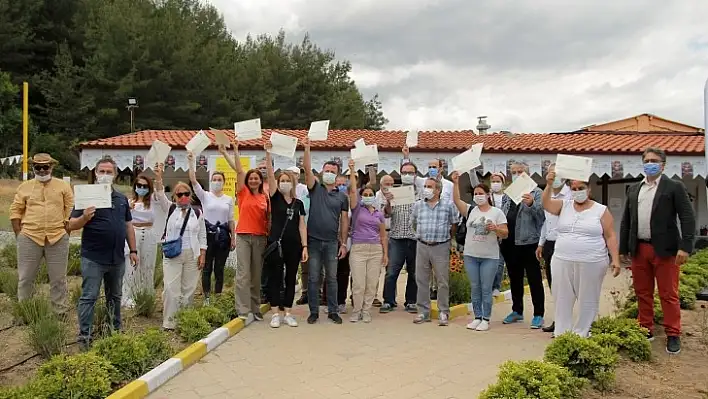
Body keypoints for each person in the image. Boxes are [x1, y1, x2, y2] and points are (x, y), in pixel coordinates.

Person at [620, 147, 695, 354]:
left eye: (654, 160)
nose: (650, 163)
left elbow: (687, 217)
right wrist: (623, 248)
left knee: (668, 293)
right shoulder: (635, 189)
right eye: (647, 160)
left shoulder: (674, 187)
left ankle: (673, 333)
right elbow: (627, 221)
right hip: (640, 248)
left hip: (666, 250)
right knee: (642, 292)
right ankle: (645, 327)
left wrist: (685, 247)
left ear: (663, 164)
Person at [67, 157, 138, 348]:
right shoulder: (86, 196)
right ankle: (85, 338)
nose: (105, 175)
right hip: (93, 257)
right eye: (102, 171)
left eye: (109, 172)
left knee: (114, 297)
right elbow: (71, 225)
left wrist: (133, 249)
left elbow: (128, 225)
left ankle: (113, 333)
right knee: (89, 297)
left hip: (117, 258)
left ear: (115, 175)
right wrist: (84, 217)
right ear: (96, 173)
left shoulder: (122, 199)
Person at [543, 171, 621, 338]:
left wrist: (615, 259)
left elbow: (610, 235)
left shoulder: (601, 210)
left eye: (581, 187)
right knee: (561, 297)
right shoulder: (564, 205)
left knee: (587, 298)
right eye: (574, 188)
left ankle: (582, 332)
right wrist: (549, 185)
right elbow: (546, 204)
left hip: (592, 261)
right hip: (562, 260)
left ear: (589, 189)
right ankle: (562, 333)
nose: (577, 190)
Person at [10, 153, 73, 316]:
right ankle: (25, 312)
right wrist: (19, 233)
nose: (42, 170)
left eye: (46, 166)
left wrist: (66, 229)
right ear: (33, 168)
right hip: (30, 236)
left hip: (57, 236)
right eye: (38, 167)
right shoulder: (24, 187)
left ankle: (60, 311)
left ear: (52, 167)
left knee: (58, 278)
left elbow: (70, 207)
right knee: (25, 278)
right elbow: (15, 210)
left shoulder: (63, 186)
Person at [451, 173, 508, 331]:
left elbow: (505, 233)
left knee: (486, 288)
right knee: (475, 286)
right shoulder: (471, 210)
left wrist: (496, 229)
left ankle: (486, 318)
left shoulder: (497, 212)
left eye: (481, 194)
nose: (478, 196)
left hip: (489, 256)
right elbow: (456, 200)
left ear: (488, 195)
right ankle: (477, 317)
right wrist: (455, 183)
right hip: (471, 255)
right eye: (475, 194)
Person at [153, 165, 207, 329]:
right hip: (172, 254)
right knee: (170, 288)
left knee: (189, 289)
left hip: (192, 254)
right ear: (175, 196)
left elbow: (202, 235)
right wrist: (158, 176)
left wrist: (202, 254)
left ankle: (185, 319)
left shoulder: (197, 212)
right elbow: (160, 193)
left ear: (190, 195)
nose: (183, 196)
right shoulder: (169, 208)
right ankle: (169, 322)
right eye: (179, 194)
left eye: (186, 194)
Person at [221, 138, 269, 321]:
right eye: (251, 178)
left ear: (260, 180)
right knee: (243, 274)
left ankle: (255, 308)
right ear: (248, 181)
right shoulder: (243, 193)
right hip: (243, 236)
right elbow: (239, 170)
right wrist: (233, 150)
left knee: (256, 275)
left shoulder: (265, 197)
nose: (254, 180)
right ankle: (242, 310)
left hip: (260, 238)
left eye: (257, 177)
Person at [303, 138, 349, 324]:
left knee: (332, 278)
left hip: (332, 243)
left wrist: (344, 243)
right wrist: (307, 149)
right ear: (321, 172)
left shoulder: (342, 197)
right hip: (313, 241)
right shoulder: (315, 188)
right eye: (327, 171)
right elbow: (307, 169)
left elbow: (344, 221)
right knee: (313, 278)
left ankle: (333, 311)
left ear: (338, 176)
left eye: (333, 172)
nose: (329, 173)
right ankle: (313, 312)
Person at [263, 143, 308, 328]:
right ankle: (275, 313)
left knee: (290, 278)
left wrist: (305, 246)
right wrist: (268, 153)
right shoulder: (275, 197)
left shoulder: (299, 204)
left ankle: (288, 312)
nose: (284, 183)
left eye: (287, 180)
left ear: (293, 183)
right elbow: (270, 174)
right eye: (282, 180)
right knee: (275, 277)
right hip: (276, 244)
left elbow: (302, 226)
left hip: (294, 246)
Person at [500, 162, 546, 329]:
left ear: (528, 174)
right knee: (514, 279)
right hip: (509, 242)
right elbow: (503, 214)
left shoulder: (537, 193)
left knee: (534, 280)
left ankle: (538, 314)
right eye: (514, 172)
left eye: (520, 172)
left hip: (529, 242)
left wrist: (532, 204)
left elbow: (543, 218)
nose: (517, 174)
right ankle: (517, 311)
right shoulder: (508, 194)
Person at [188, 150, 235, 304]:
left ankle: (218, 295)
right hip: (207, 235)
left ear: (224, 182)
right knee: (207, 267)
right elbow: (193, 181)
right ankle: (207, 296)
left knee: (219, 268)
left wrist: (233, 238)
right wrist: (191, 161)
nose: (216, 181)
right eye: (214, 179)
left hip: (223, 237)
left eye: (219, 179)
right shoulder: (205, 195)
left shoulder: (229, 199)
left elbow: (230, 220)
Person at [411, 178, 459, 326]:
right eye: (425, 186)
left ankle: (443, 312)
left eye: (429, 186)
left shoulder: (448, 205)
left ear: (438, 190)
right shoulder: (418, 205)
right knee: (421, 279)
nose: (426, 189)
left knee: (442, 280)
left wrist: (447, 239)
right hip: (422, 245)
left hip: (440, 246)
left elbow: (454, 223)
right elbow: (413, 223)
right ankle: (423, 312)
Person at [347, 160, 388, 323]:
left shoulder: (379, 214)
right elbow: (351, 192)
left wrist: (385, 254)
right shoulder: (357, 209)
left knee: (372, 283)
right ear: (361, 196)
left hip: (376, 250)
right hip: (358, 249)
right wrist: (351, 171)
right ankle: (356, 310)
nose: (368, 197)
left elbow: (383, 235)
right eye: (365, 195)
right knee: (359, 283)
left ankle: (366, 310)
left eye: (371, 195)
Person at [535, 163, 572, 333]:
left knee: (566, 285)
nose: (554, 177)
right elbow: (545, 222)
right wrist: (541, 243)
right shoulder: (547, 195)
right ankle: (558, 320)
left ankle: (567, 321)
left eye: (557, 174)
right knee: (553, 284)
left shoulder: (571, 195)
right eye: (551, 174)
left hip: (565, 243)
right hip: (550, 243)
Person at [380, 162, 420, 314]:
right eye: (404, 172)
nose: (407, 175)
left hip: (415, 239)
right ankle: (388, 301)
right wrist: (389, 201)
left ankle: (411, 301)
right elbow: (387, 213)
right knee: (391, 272)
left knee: (414, 273)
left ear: (415, 174)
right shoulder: (394, 192)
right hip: (396, 238)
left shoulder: (421, 193)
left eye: (410, 172)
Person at [122, 174, 160, 309]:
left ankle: (146, 294)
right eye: (139, 186)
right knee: (131, 266)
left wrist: (158, 176)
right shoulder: (128, 202)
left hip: (149, 232)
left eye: (145, 186)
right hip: (134, 233)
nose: (142, 188)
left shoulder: (153, 200)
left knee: (148, 265)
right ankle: (127, 297)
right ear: (135, 187)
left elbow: (160, 191)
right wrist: (129, 209)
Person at [489, 172, 511, 296]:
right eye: (493, 181)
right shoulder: (488, 196)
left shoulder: (507, 197)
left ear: (503, 183)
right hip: (489, 232)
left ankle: (496, 286)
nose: (495, 184)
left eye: (498, 181)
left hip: (502, 232)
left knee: (499, 261)